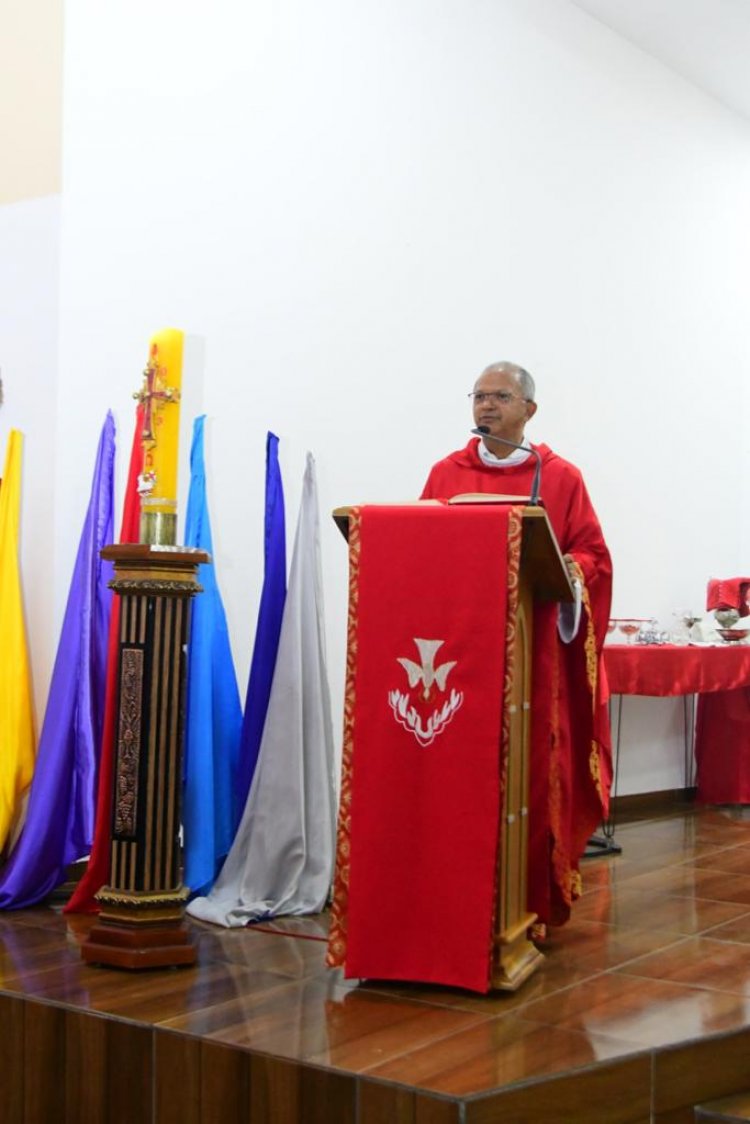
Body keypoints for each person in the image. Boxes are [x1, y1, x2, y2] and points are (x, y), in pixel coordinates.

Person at [420, 361, 613, 928]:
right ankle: (452, 893)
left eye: (499, 396)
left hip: (535, 659)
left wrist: (559, 568)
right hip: (461, 654)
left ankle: (528, 895)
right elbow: (421, 543)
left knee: (532, 770)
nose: (485, 407)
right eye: (478, 396)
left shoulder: (558, 478)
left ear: (529, 409)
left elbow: (594, 557)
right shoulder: (445, 473)